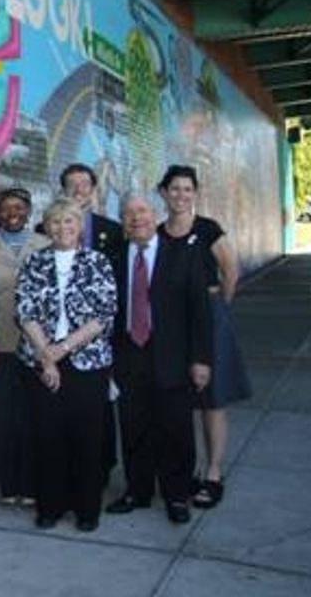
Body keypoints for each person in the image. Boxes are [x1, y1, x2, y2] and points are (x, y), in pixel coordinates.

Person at [106, 194, 212, 525]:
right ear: (122, 222)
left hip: (173, 357)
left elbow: (201, 312)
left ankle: (177, 495)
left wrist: (201, 359)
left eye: (141, 211)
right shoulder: (112, 257)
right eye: (128, 214)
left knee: (175, 428)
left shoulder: (184, 255)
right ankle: (138, 491)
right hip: (128, 354)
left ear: (155, 215)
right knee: (134, 426)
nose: (136, 218)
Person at [16, 197, 117, 532]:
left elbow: (103, 314)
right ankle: (50, 507)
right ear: (47, 226)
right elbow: (25, 311)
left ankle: (87, 509)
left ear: (80, 226)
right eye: (56, 222)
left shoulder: (97, 261)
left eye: (70, 222)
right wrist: (47, 355)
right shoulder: (34, 262)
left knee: (87, 438)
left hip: (87, 363)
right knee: (47, 437)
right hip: (41, 361)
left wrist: (62, 349)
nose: (63, 228)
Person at [158, 164, 250, 509]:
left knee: (212, 399)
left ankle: (213, 473)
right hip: (172, 325)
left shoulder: (208, 229)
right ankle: (188, 469)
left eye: (187, 189)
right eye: (175, 189)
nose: (181, 195)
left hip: (209, 318)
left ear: (195, 194)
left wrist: (218, 309)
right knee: (180, 401)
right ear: (163, 193)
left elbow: (230, 270)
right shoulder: (158, 234)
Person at [59, 162, 126, 487]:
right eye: (71, 184)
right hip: (60, 339)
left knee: (101, 404)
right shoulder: (47, 231)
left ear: (93, 188)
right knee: (66, 406)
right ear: (63, 190)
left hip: (101, 336)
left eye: (84, 183)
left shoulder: (112, 231)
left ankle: (101, 469)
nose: (78, 190)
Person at [0, 187, 48, 507]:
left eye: (19, 207)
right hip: (2, 343)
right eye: (5, 207)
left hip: (39, 346)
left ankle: (34, 485)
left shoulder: (45, 244)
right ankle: (10, 486)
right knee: (5, 418)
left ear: (28, 211)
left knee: (33, 416)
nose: (13, 212)